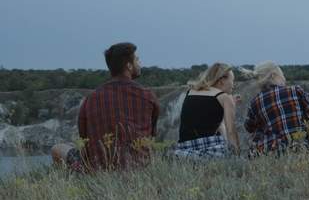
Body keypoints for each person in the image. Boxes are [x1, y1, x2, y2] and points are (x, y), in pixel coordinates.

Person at [51, 42, 160, 172]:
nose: (140, 63)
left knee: (57, 149)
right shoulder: (148, 97)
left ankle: (70, 184)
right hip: (138, 168)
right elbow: (151, 137)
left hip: (99, 169)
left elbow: (85, 139)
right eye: (137, 60)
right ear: (129, 66)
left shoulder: (92, 97)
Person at [239, 61, 309, 155]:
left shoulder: (254, 103)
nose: (284, 78)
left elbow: (249, 127)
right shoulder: (296, 91)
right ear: (273, 76)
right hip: (303, 149)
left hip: (272, 153)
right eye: (282, 74)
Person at [173, 62, 240, 159]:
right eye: (232, 80)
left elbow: (211, 122)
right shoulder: (223, 97)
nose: (233, 86)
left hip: (184, 150)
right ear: (222, 80)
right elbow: (231, 132)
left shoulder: (191, 92)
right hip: (211, 149)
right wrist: (237, 156)